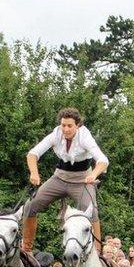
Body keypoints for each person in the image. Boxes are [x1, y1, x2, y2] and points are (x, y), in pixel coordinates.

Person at [24, 107, 108, 253]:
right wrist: (34, 173)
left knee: (92, 211)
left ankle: (97, 253)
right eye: (63, 125)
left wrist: (93, 175)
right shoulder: (56, 134)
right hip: (59, 178)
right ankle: (26, 249)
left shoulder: (84, 136)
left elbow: (103, 160)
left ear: (77, 125)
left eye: (70, 126)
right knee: (30, 206)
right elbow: (32, 154)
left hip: (82, 181)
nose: (66, 129)